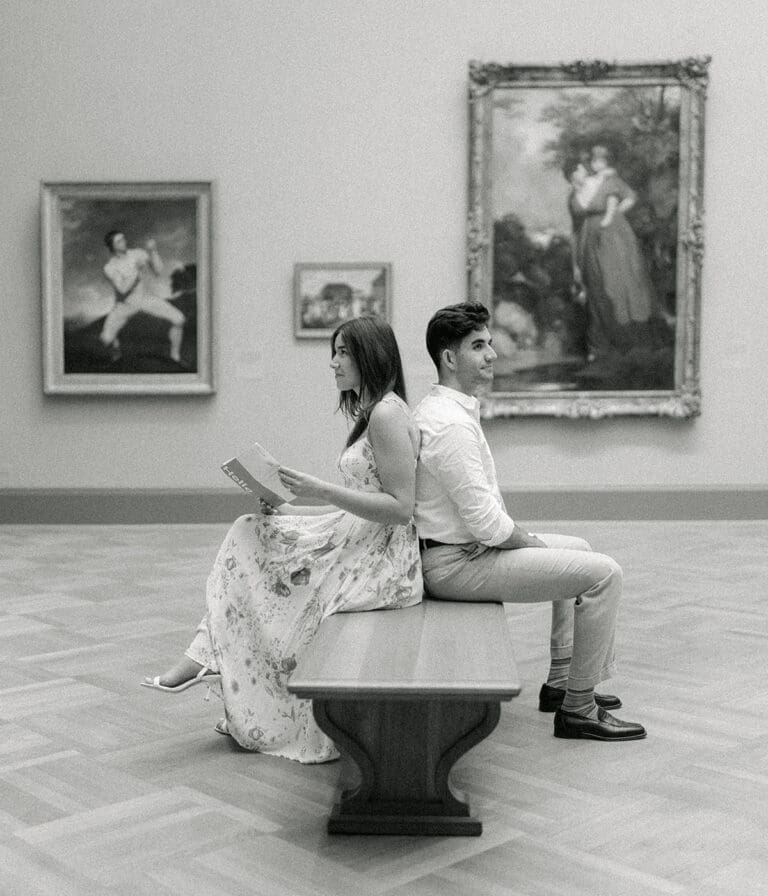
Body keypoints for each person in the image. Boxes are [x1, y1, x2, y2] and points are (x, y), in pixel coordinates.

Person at [142, 315, 423, 763]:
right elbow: (364, 507)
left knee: (255, 548)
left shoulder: (387, 414)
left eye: (343, 352)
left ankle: (208, 661)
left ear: (372, 354)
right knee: (254, 530)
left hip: (384, 562)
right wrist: (293, 509)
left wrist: (322, 489)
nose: (333, 363)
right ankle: (212, 659)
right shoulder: (378, 410)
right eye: (334, 352)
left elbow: (401, 508)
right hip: (363, 540)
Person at [414, 301, 646, 741]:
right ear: (449, 358)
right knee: (604, 576)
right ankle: (579, 708)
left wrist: (520, 540)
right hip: (456, 565)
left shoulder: (449, 410)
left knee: (579, 550)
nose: (492, 354)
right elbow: (487, 525)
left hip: (460, 553)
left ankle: (561, 683)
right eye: (478, 346)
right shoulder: (449, 426)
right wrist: (529, 543)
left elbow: (484, 521)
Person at [565, 145, 656, 361]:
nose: (587, 168)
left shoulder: (606, 181)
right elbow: (575, 229)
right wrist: (575, 262)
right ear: (572, 175)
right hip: (588, 242)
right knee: (595, 289)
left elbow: (629, 197)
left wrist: (614, 216)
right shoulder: (573, 196)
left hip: (612, 238)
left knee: (617, 285)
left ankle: (629, 341)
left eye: (590, 164)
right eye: (581, 167)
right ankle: (599, 346)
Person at [99, 229, 186, 363]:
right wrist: (136, 269)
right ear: (113, 246)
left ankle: (175, 357)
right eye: (119, 241)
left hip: (144, 299)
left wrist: (153, 251)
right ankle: (115, 348)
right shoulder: (109, 267)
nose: (124, 242)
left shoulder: (137, 253)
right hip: (124, 305)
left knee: (179, 319)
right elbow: (122, 289)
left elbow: (158, 271)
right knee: (106, 340)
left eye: (123, 238)